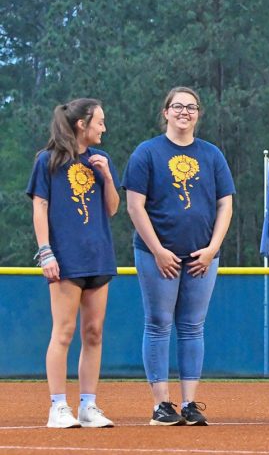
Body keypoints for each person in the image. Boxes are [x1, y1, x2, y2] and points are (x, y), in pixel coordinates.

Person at [123, 87, 235, 426]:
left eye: (191, 107)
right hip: (157, 255)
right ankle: (162, 405)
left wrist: (213, 249)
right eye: (178, 106)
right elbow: (135, 206)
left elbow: (225, 204)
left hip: (202, 256)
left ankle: (189, 404)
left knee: (192, 326)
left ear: (198, 113)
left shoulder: (212, 154)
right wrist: (158, 250)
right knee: (158, 323)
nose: (184, 112)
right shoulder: (147, 152)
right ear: (166, 112)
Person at [28, 99, 119, 428]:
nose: (104, 128)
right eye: (100, 122)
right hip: (65, 258)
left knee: (93, 333)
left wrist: (107, 176)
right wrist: (46, 251)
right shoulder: (48, 160)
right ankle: (57, 407)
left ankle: (88, 406)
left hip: (99, 256)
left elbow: (112, 209)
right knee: (64, 332)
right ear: (82, 124)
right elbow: (40, 207)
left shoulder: (101, 159)